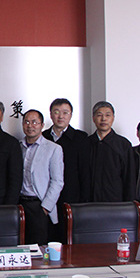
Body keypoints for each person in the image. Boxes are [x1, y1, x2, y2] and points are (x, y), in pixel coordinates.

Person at [42, 98, 91, 241]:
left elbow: (85, 172)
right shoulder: (43, 137)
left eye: (65, 112)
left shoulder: (81, 138)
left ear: (71, 115)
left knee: (68, 238)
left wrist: (83, 201)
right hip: (47, 197)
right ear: (51, 115)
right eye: (56, 112)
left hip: (71, 197)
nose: (60, 116)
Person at [19, 109, 64, 245]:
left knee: (38, 246)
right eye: (27, 122)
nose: (30, 126)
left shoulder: (53, 148)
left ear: (42, 125)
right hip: (20, 204)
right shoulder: (17, 146)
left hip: (39, 204)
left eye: (34, 122)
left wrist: (45, 207)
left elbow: (57, 181)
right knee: (21, 244)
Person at [89, 101, 136, 202]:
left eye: (107, 115)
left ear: (113, 118)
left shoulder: (123, 144)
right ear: (93, 118)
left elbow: (129, 177)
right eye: (99, 115)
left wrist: (129, 204)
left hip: (115, 201)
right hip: (89, 201)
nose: (103, 119)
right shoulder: (86, 143)